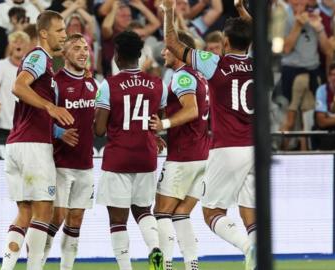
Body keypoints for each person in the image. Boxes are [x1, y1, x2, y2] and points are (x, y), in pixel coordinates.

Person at [162, 0, 256, 269]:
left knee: (212, 211)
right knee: (251, 213)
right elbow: (253, 31)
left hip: (226, 147)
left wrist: (169, 11)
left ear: (225, 42)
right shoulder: (257, 64)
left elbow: (172, 42)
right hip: (255, 148)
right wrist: (240, 9)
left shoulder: (214, 63)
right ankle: (255, 255)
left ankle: (249, 248)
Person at [0, 10, 72, 270]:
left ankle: (6, 268)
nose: (64, 35)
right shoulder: (39, 56)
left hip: (17, 144)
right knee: (44, 213)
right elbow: (18, 86)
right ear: (44, 33)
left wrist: (57, 131)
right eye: (60, 30)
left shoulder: (46, 63)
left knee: (24, 214)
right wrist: (49, 107)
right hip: (33, 147)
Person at [94, 30, 167, 270]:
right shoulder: (157, 84)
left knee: (117, 219)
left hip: (119, 157)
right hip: (146, 156)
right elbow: (160, 119)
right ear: (139, 55)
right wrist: (152, 135)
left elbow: (100, 130)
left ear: (117, 56)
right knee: (143, 210)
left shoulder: (109, 85)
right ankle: (156, 248)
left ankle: (126, 267)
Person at [148, 31, 210, 270]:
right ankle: (192, 265)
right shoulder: (200, 76)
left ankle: (165, 266)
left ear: (178, 49)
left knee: (161, 212)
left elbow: (191, 110)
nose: (163, 51)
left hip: (184, 156)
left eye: (167, 48)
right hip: (201, 156)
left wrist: (163, 125)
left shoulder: (182, 77)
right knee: (181, 214)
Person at [41, 33, 99, 270]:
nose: (83, 52)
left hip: (85, 164)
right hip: (60, 163)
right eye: (76, 48)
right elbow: (37, 117)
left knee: (76, 220)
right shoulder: (55, 83)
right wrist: (58, 132)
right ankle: (37, 263)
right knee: (57, 216)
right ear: (64, 54)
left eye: (85, 48)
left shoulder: (93, 84)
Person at [0, 31, 31, 138]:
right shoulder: (1, 65)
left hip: (23, 126)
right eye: (15, 42)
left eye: (22, 42)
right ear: (10, 46)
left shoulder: (32, 69)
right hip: (1, 125)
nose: (18, 45)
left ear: (28, 47)